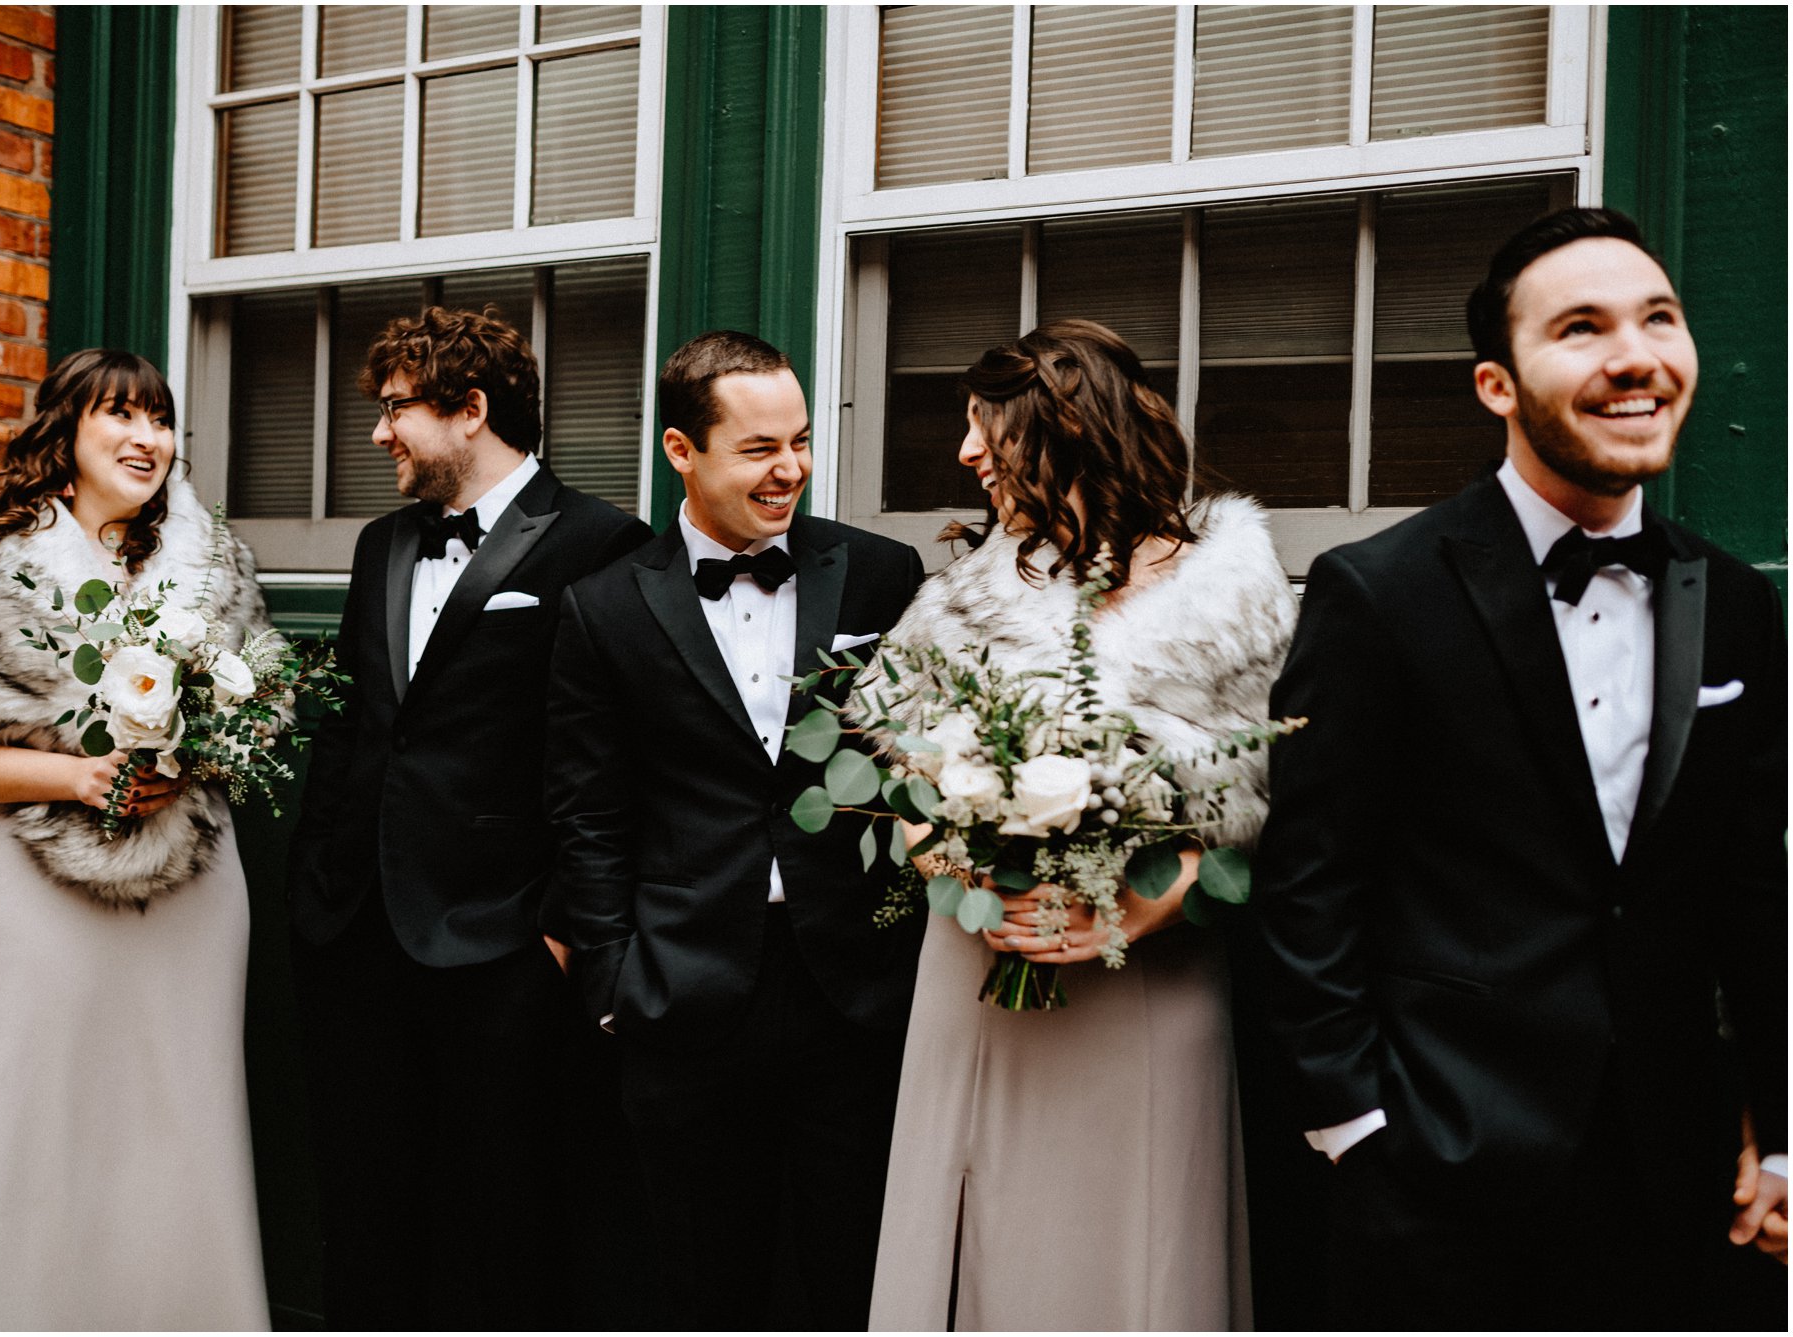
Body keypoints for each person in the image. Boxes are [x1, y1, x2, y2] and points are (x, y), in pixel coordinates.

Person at [1252, 207, 1788, 1328]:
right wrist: (1355, 1130)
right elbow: (1308, 886)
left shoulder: (1737, 603)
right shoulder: (1375, 592)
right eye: (1581, 328)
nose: (1634, 355)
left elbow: (1752, 888)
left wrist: (1779, 1127)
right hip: (1438, 1162)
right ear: (1496, 384)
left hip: (1678, 1172)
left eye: (1657, 318)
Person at [855, 319, 1294, 1330]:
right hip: (980, 965)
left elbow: (1269, 808)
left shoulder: (1230, 593)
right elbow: (893, 774)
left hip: (1148, 969)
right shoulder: (961, 595)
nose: (965, 455)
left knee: (1134, 1244)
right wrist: (954, 869)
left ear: (1059, 429)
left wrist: (1132, 916)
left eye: (984, 429)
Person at [0, 349, 272, 1330]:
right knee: (42, 1124)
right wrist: (77, 775)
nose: (148, 439)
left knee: (183, 1119)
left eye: (161, 421)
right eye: (121, 416)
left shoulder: (208, 569)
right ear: (64, 434)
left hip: (188, 888)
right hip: (35, 892)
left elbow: (253, 719)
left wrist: (198, 743)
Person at [543, 330, 926, 1329]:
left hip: (855, 988)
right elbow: (588, 812)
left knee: (855, 1274)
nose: (788, 467)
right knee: (704, 1280)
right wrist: (613, 984)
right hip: (683, 996)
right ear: (681, 449)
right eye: (758, 447)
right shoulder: (603, 607)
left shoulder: (882, 575)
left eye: (798, 441)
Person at [284, 305, 651, 1329]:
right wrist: (316, 881)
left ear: (470, 408)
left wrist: (560, 926)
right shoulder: (378, 543)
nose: (377, 432)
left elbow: (610, 756)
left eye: (396, 408)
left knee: (506, 1220)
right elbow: (358, 724)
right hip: (355, 932)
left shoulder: (600, 540)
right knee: (367, 1209)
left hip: (502, 947)